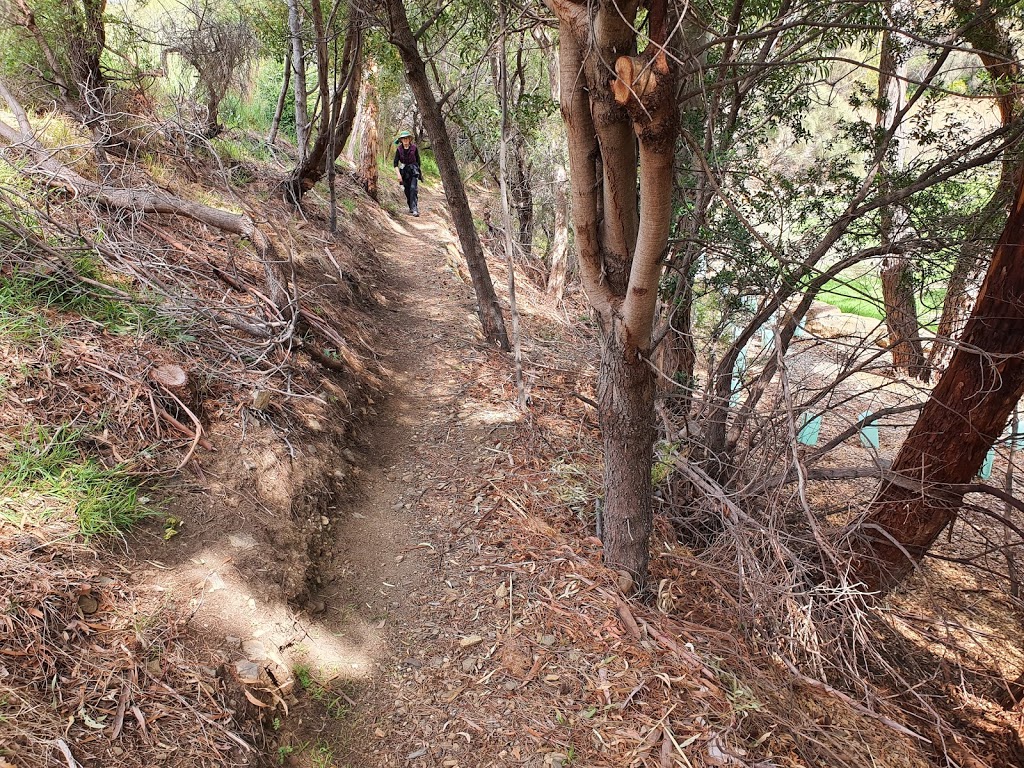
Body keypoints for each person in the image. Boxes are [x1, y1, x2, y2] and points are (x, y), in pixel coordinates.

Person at [393, 130, 422, 217]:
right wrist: (398, 175)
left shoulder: (414, 148)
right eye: (403, 139)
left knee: (413, 188)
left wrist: (418, 171)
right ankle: (410, 206)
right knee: (407, 190)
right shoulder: (399, 149)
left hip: (413, 170)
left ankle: (415, 209)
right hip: (404, 172)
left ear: (409, 139)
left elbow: (418, 160)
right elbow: (395, 163)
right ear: (401, 140)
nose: (405, 140)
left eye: (407, 138)